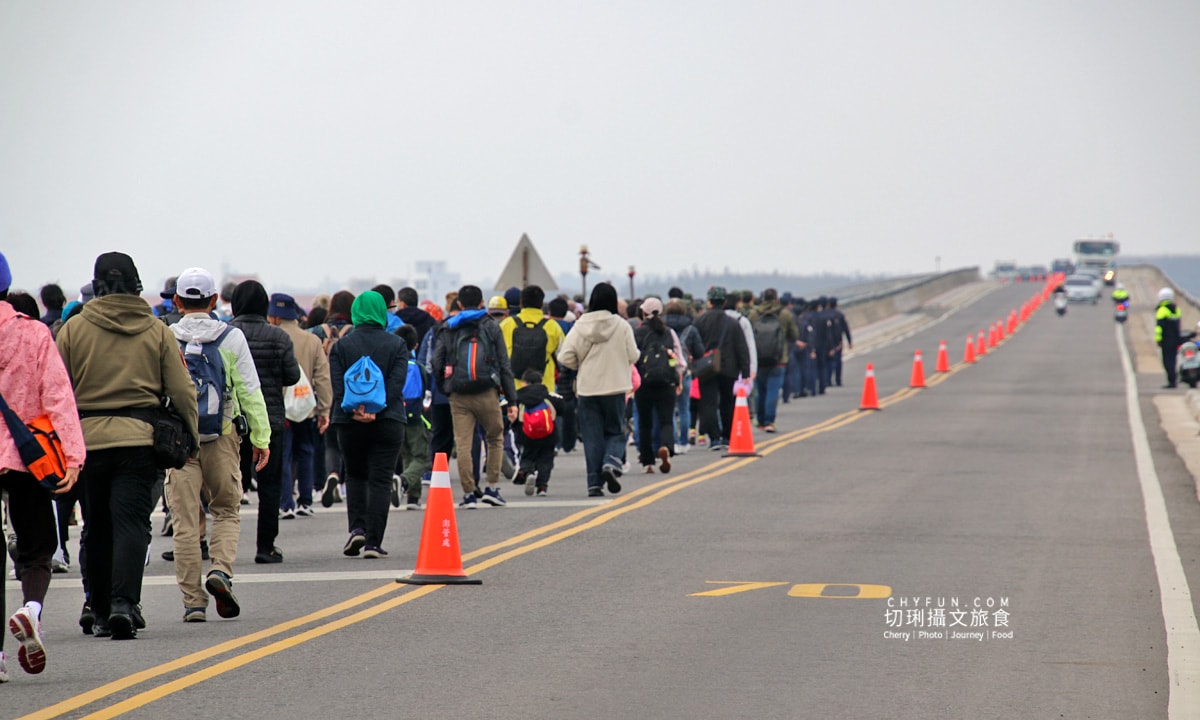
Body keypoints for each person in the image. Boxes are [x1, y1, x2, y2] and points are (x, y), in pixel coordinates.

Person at [56, 252, 199, 639]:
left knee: (96, 526)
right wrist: (192, 435)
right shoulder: (156, 330)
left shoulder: (72, 330)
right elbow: (183, 390)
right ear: (137, 285)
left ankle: (99, 607)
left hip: (86, 443)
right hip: (139, 440)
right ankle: (123, 604)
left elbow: (58, 391)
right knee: (132, 525)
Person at [166, 267, 270, 623]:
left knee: (184, 520)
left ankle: (193, 602)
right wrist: (261, 437)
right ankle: (221, 572)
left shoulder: (166, 337)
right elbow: (250, 391)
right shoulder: (231, 337)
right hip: (222, 435)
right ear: (213, 301)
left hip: (179, 441)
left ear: (177, 301)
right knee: (225, 509)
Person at [1, 252, 85, 679]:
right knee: (37, 550)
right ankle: (31, 609)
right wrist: (72, 455)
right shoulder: (32, 334)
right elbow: (57, 396)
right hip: (25, 456)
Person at [329, 291, 408, 558]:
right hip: (388, 420)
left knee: (355, 475)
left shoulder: (341, 346)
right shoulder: (397, 344)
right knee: (381, 480)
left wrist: (355, 411)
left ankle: (357, 529)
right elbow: (397, 385)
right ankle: (374, 542)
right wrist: (376, 409)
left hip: (349, 422)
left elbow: (338, 387)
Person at [229, 281, 301, 564]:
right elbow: (292, 376)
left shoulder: (226, 333)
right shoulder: (279, 337)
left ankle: (224, 543)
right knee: (270, 485)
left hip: (233, 420)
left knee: (231, 483)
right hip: (269, 419)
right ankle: (266, 546)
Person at [431, 285, 518, 508]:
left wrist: (445, 386)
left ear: (459, 304)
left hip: (459, 394)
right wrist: (511, 399)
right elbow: (503, 364)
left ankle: (469, 493)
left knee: (463, 444)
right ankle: (491, 487)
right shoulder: (490, 325)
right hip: (487, 391)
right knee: (495, 437)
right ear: (481, 303)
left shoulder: (449, 326)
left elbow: (436, 362)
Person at [557, 283, 640, 496]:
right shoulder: (621, 326)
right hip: (615, 387)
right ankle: (611, 462)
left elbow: (565, 357)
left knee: (592, 436)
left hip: (587, 388)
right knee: (615, 430)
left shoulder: (579, 325)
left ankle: (594, 484)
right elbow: (634, 355)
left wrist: (581, 366)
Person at [268, 293, 332, 519]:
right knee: (306, 452)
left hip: (279, 408)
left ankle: (286, 503)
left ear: (275, 316)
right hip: (306, 408)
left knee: (283, 455)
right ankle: (306, 500)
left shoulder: (272, 337)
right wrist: (324, 409)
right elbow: (323, 378)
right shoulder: (311, 340)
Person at [692, 286, 750, 452]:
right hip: (729, 367)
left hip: (706, 368)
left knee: (708, 403)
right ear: (724, 302)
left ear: (709, 301)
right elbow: (741, 347)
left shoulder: (699, 321)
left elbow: (691, 345)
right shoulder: (733, 323)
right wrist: (745, 370)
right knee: (727, 402)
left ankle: (714, 438)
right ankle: (727, 436)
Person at [632, 297, 683, 473]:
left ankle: (647, 462)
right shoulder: (669, 332)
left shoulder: (637, 333)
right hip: (666, 382)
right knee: (666, 420)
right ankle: (666, 447)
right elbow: (679, 360)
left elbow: (631, 358)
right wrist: (679, 380)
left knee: (645, 423)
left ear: (643, 312)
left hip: (643, 383)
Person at [748, 288, 799, 432]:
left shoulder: (753, 314)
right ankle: (770, 421)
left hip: (758, 359)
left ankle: (761, 420)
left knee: (760, 391)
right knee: (773, 390)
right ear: (777, 299)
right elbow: (794, 335)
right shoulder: (784, 314)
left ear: (762, 299)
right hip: (778, 359)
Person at [394, 325, 430, 510]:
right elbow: (425, 389)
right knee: (421, 456)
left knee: (406, 454)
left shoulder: (392, 364)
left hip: (396, 415)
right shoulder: (417, 367)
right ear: (415, 345)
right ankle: (405, 482)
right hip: (415, 416)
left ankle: (413, 499)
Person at [512, 369, 564, 496]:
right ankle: (542, 487)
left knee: (527, 456)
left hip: (526, 434)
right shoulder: (550, 396)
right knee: (546, 460)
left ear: (524, 382)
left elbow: (505, 408)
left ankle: (529, 472)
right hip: (548, 435)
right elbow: (563, 407)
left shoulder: (517, 396)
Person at [664, 299, 704, 454]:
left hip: (667, 370)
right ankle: (683, 441)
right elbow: (699, 351)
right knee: (684, 408)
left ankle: (672, 440)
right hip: (684, 370)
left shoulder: (663, 327)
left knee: (670, 409)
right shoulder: (691, 328)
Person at [1156, 287, 1183, 389]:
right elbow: (1178, 325)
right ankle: (1174, 379)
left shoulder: (1162, 310)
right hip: (1176, 339)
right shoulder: (1177, 310)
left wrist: (1158, 339)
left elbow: (1159, 327)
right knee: (1173, 360)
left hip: (1166, 340)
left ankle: (1172, 381)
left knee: (1167, 362)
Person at [828, 297, 852, 387]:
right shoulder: (839, 315)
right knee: (838, 361)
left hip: (827, 342)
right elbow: (846, 329)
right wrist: (849, 341)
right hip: (838, 341)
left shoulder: (825, 315)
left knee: (829, 361)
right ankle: (838, 380)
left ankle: (828, 380)